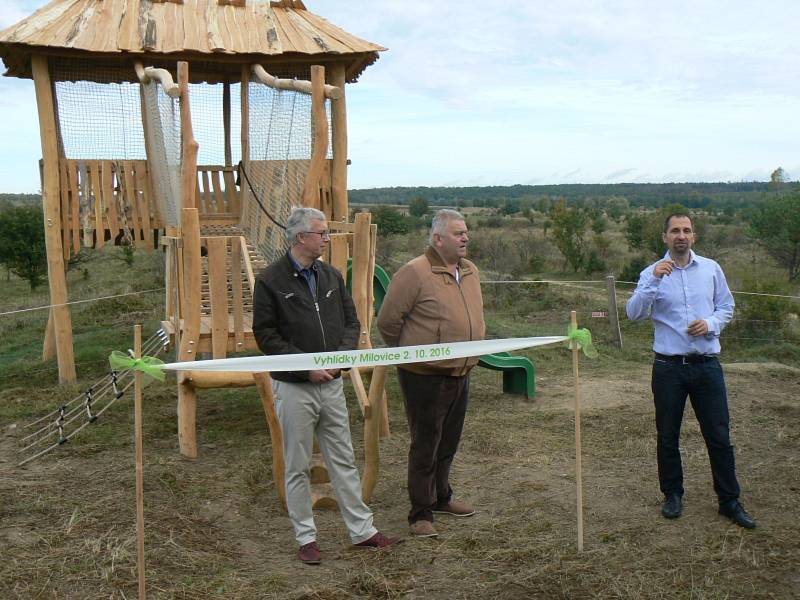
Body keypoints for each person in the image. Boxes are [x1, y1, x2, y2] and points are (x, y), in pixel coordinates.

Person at [252, 207, 401, 564]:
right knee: (297, 464)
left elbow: (352, 322)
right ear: (301, 237)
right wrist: (306, 369)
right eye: (321, 233)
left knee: (343, 458)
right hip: (294, 387)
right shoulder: (270, 280)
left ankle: (362, 531)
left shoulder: (332, 276)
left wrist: (339, 361)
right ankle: (306, 538)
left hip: (333, 383)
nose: (326, 239)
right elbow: (266, 335)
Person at [626, 212, 755, 529]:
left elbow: (726, 307)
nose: (681, 235)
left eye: (686, 230)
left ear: (693, 236)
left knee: (719, 436)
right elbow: (633, 314)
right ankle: (672, 495)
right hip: (668, 368)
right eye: (674, 231)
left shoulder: (711, 269)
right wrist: (653, 280)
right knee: (667, 436)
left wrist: (710, 323)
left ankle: (729, 501)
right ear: (665, 237)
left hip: (707, 367)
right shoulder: (651, 273)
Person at [377, 209, 486, 538]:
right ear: (438, 239)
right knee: (426, 444)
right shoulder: (414, 272)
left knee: (449, 440)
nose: (465, 237)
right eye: (457, 233)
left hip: (462, 370)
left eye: (466, 232)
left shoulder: (470, 271)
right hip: (424, 375)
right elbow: (387, 322)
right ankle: (420, 512)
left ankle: (441, 497)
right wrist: (415, 353)